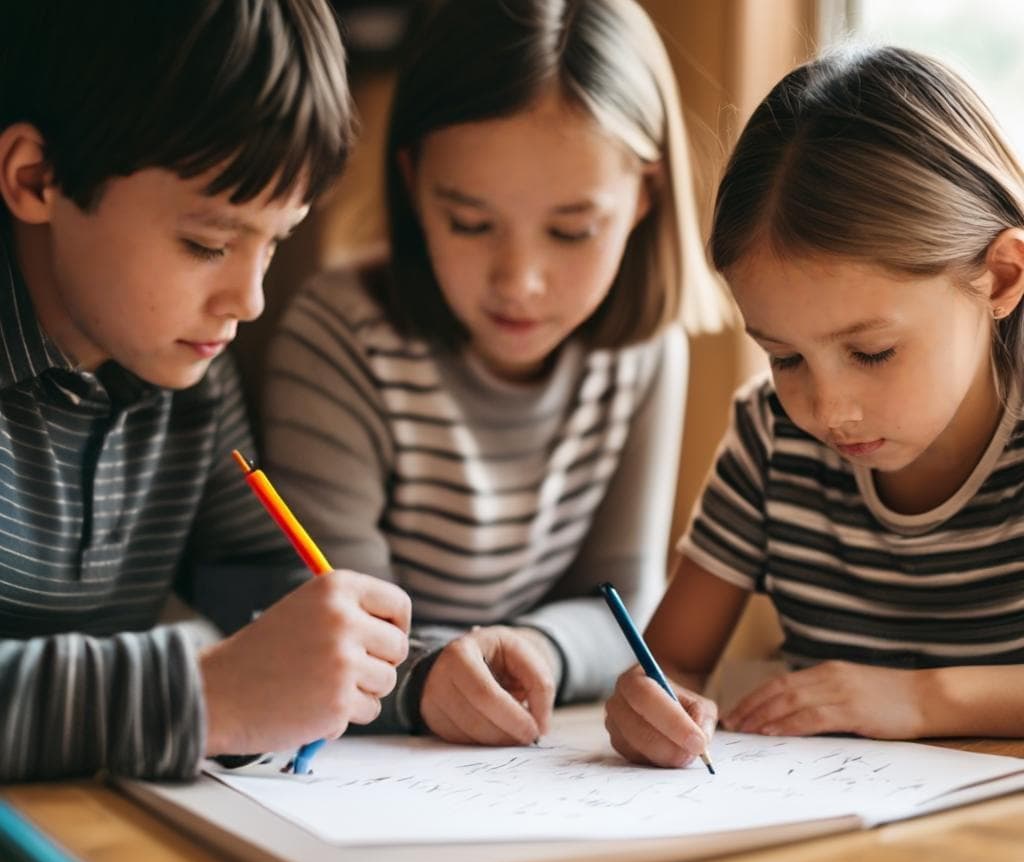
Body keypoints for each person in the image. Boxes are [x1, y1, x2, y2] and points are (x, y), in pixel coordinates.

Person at [262, 0, 727, 745]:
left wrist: (538, 649)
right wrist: (424, 676)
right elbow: (332, 618)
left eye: (573, 230)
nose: (521, 282)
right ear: (413, 183)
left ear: (644, 195)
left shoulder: (644, 351)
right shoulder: (341, 335)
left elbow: (624, 606)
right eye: (470, 223)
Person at [0, 0, 412, 782]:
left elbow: (256, 583)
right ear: (36, 177)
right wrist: (202, 696)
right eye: (208, 243)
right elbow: (223, 686)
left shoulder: (187, 370)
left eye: (275, 241)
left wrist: (406, 674)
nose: (249, 300)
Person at [605, 44, 1024, 769]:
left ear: (1002, 277)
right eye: (786, 358)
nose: (827, 410)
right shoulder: (769, 438)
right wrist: (656, 705)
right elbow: (670, 662)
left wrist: (920, 699)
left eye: (872, 353)